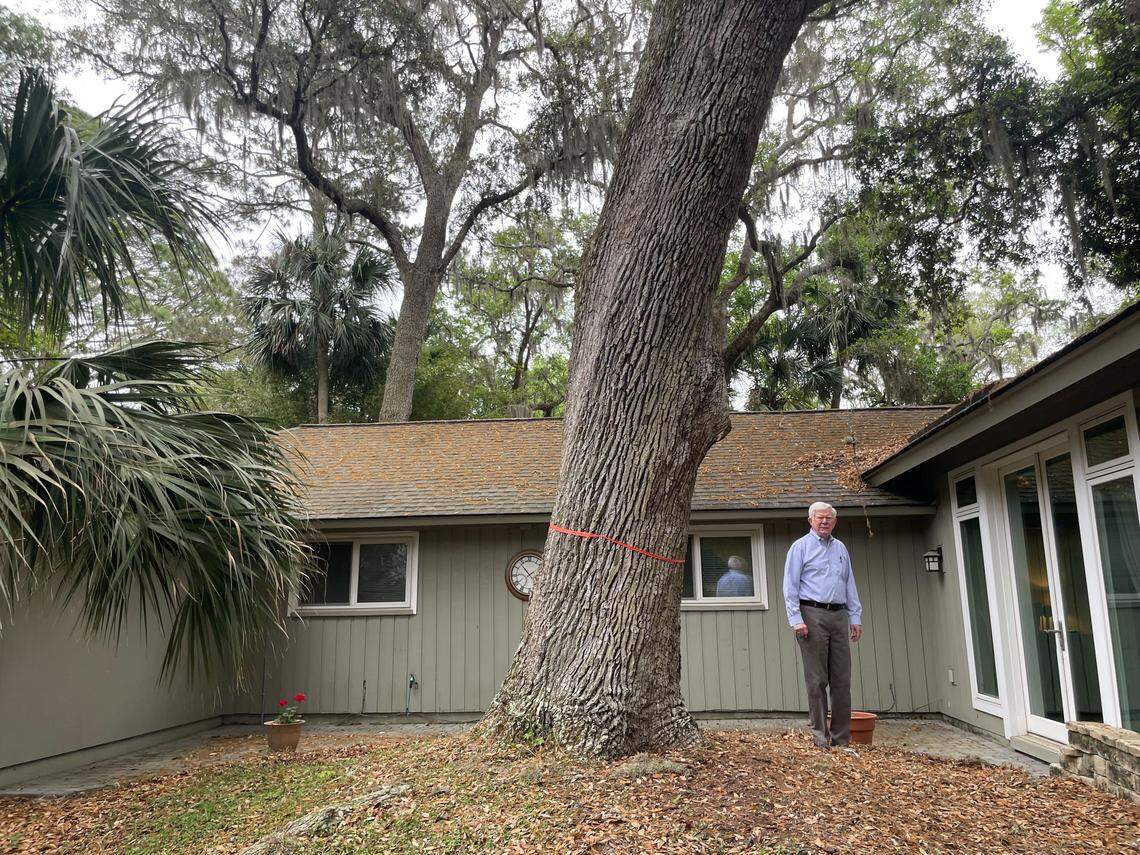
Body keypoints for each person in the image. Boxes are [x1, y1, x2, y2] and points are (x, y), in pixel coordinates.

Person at [783, 501, 863, 749]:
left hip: (839, 616)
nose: (825, 521)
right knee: (817, 679)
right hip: (811, 616)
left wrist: (855, 616)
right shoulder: (800, 548)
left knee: (842, 680)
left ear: (835, 521)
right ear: (810, 520)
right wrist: (796, 619)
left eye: (829, 518)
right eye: (820, 518)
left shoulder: (840, 548)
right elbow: (790, 586)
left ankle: (841, 739)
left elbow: (849, 584)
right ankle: (820, 737)